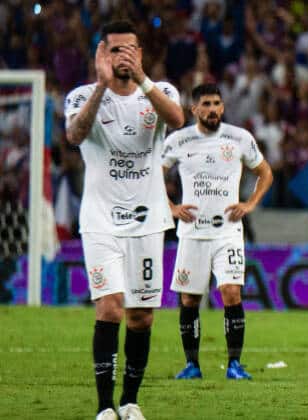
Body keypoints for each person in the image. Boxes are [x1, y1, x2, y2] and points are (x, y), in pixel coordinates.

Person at [64, 20, 184, 420]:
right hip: (100, 222)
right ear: (102, 54)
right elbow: (75, 136)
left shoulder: (160, 91)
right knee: (110, 308)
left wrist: (143, 79)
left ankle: (131, 401)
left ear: (141, 53)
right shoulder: (82, 96)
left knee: (141, 315)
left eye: (130, 49)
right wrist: (101, 86)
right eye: (115, 50)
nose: (123, 56)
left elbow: (178, 119)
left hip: (149, 222)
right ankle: (104, 407)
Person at [162, 83, 273, 381]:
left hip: (227, 231)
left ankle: (234, 364)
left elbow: (265, 173)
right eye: (206, 104)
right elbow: (153, 174)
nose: (212, 109)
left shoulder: (239, 138)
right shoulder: (178, 140)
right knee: (189, 300)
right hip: (192, 232)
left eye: (216, 104)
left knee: (231, 293)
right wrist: (170, 207)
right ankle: (192, 365)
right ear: (193, 109)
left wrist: (250, 204)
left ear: (223, 107)